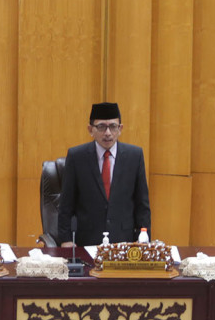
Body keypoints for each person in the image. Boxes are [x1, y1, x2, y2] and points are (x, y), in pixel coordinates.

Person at [56, 101, 151, 246]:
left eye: (113, 126)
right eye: (101, 127)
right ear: (90, 129)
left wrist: (143, 238)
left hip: (125, 242)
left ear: (120, 129)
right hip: (87, 241)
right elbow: (66, 204)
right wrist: (66, 240)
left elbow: (142, 204)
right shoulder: (77, 157)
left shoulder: (134, 156)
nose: (108, 133)